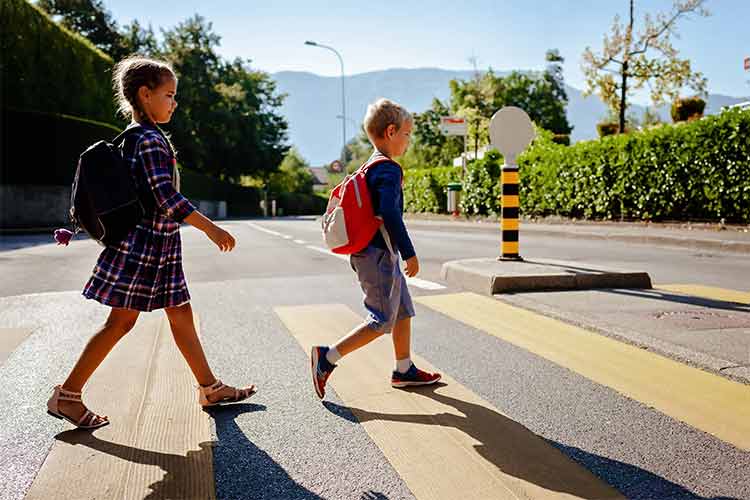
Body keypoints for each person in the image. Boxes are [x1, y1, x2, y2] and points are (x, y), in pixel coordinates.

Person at [47, 56, 255, 429]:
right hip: (143, 250)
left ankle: (209, 387)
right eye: (169, 94)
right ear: (145, 94)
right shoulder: (149, 141)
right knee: (119, 324)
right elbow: (165, 198)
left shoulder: (135, 137)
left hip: (156, 249)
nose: (174, 102)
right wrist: (211, 228)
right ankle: (68, 395)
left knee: (180, 313)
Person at [311, 98, 441, 399]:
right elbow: (389, 213)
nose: (409, 140)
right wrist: (409, 252)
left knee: (404, 310)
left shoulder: (370, 165)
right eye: (407, 134)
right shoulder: (389, 170)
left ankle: (404, 368)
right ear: (392, 131)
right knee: (381, 319)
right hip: (378, 255)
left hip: (374, 253)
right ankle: (326, 358)